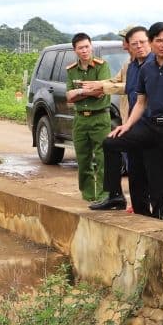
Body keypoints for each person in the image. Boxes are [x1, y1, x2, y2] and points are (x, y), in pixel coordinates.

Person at [108, 22, 163, 223]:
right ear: (152, 42)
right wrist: (128, 126)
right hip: (151, 126)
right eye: (159, 41)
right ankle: (156, 220)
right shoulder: (146, 68)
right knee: (156, 178)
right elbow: (141, 103)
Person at [88, 25, 152, 213]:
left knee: (149, 170)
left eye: (141, 42)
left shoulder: (154, 65)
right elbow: (120, 84)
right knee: (131, 165)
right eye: (132, 43)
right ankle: (119, 196)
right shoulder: (131, 66)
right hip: (132, 122)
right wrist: (96, 86)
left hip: (150, 124)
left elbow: (135, 94)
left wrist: (103, 88)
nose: (129, 46)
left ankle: (147, 208)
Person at [64, 33, 112, 203]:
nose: (84, 51)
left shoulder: (102, 66)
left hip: (100, 118)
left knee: (102, 159)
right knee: (83, 159)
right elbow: (69, 96)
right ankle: (89, 195)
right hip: (80, 120)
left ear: (91, 46)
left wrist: (79, 92)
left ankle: (103, 195)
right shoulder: (71, 70)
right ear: (75, 50)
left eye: (86, 46)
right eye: (80, 48)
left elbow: (100, 91)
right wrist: (85, 91)